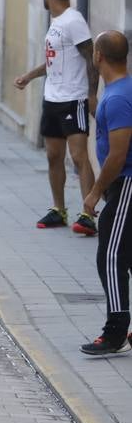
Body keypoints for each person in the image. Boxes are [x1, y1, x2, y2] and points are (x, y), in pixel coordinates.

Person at [14, 0, 98, 235]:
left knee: (79, 157)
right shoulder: (56, 22)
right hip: (52, 98)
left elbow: (91, 57)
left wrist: (92, 95)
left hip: (73, 99)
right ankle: (58, 210)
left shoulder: (74, 21)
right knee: (53, 156)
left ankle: (88, 214)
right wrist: (29, 76)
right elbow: (53, 60)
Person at [80, 31, 132, 354]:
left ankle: (115, 331)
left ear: (98, 56)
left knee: (111, 255)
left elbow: (118, 154)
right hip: (122, 184)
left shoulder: (118, 98)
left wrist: (95, 192)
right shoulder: (118, 92)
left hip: (125, 182)